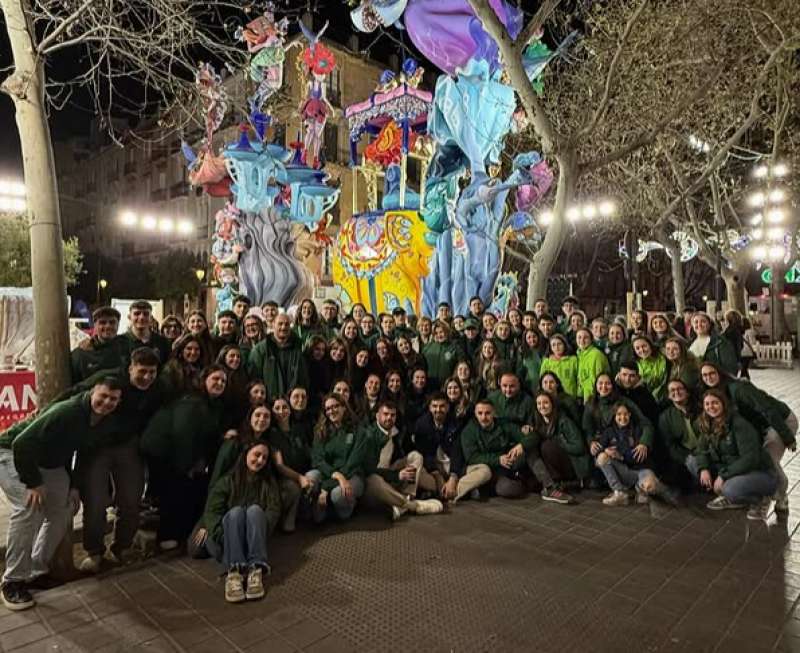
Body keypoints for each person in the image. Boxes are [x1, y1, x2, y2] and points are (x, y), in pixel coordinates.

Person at [0, 377, 123, 610]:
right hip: (11, 452)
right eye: (103, 396)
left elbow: (81, 454)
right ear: (92, 392)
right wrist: (33, 482)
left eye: (113, 399)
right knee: (28, 507)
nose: (106, 402)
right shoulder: (67, 411)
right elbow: (22, 443)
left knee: (64, 508)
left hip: (50, 462)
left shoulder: (103, 421)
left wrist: (74, 486)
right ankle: (12, 581)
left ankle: (36, 571)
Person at [65, 348, 163, 573]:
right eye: (142, 371)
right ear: (130, 368)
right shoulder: (110, 378)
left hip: (128, 446)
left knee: (130, 500)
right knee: (96, 502)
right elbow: (77, 392)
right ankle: (95, 551)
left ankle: (122, 547)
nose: (147, 377)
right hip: (97, 446)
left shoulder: (156, 388)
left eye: (152, 372)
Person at [141, 365, 227, 550]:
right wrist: (187, 467)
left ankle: (181, 533)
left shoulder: (210, 404)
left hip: (180, 452)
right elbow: (183, 434)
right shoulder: (193, 402)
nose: (220, 383)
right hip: (164, 451)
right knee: (172, 491)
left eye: (223, 381)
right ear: (204, 380)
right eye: (215, 379)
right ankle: (168, 536)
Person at [699, 362, 797, 512]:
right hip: (762, 425)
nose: (708, 377)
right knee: (759, 456)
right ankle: (757, 491)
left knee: (770, 458)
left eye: (711, 373)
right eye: (704, 375)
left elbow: (766, 409)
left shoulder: (739, 388)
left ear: (720, 372)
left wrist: (787, 437)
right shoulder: (717, 391)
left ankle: (779, 496)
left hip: (779, 420)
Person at [199, 441, 281, 603]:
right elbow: (212, 512)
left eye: (264, 458)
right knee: (235, 513)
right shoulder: (227, 481)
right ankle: (234, 573)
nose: (260, 461)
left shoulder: (268, 482)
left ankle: (255, 570)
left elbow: (273, 510)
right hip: (227, 541)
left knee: (255, 511)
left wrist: (258, 532)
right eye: (256, 455)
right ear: (246, 454)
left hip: (254, 541)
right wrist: (230, 537)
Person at [695, 389, 777, 520]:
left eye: (715, 403)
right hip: (733, 471)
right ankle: (734, 497)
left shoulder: (739, 424)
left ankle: (760, 499)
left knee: (729, 489)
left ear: (723, 404)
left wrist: (723, 476)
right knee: (695, 465)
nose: (711, 407)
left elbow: (750, 459)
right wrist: (704, 468)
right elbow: (701, 450)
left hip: (760, 473)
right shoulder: (708, 423)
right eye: (707, 404)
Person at [360, 401, 444, 520]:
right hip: (374, 479)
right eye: (385, 414)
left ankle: (407, 497)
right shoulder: (369, 435)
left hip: (391, 472)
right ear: (377, 416)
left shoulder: (396, 432)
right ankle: (411, 506)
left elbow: (407, 451)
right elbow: (368, 470)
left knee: (416, 456)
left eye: (392, 415)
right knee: (374, 480)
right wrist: (396, 475)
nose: (389, 418)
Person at [594, 402, 676, 506]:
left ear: (630, 414)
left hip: (640, 470)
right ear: (614, 416)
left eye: (625, 414)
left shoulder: (638, 430)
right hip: (622, 471)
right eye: (619, 414)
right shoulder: (609, 432)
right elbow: (598, 449)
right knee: (601, 457)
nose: (622, 417)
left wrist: (621, 456)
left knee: (651, 487)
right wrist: (604, 450)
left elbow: (639, 456)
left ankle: (641, 489)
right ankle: (619, 492)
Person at [457, 400, 534, 500]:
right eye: (480, 413)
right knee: (510, 488)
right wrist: (498, 459)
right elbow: (472, 458)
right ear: (475, 414)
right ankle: (485, 489)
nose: (484, 417)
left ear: (494, 412)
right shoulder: (469, 431)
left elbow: (531, 436)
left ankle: (485, 489)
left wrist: (521, 445)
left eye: (487, 413)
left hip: (504, 468)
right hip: (482, 468)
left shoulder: (503, 425)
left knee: (529, 451)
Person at [306, 393, 364, 523]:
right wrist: (336, 475)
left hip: (353, 475)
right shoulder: (320, 430)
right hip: (331, 474)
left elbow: (353, 463)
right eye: (328, 408)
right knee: (311, 477)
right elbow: (317, 460)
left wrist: (325, 487)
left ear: (344, 407)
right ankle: (327, 504)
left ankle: (346, 505)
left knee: (338, 496)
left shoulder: (358, 430)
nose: (331, 411)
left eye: (335, 406)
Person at [528, 392, 585, 503]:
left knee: (547, 446)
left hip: (572, 464)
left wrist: (560, 443)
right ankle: (552, 485)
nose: (542, 406)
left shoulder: (564, 421)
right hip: (554, 465)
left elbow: (580, 447)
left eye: (545, 403)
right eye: (539, 403)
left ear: (552, 404)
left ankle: (551, 488)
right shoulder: (539, 423)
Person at [410, 393, 466, 502]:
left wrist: (453, 478)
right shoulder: (422, 424)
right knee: (414, 474)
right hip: (432, 470)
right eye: (435, 406)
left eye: (442, 406)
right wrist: (437, 475)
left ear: (448, 407)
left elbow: (457, 452)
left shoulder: (456, 423)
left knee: (480, 471)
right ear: (430, 408)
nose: (438, 409)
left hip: (452, 466)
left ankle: (448, 489)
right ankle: (450, 491)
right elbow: (425, 454)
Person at [267, 398, 310, 532]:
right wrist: (299, 478)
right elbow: (279, 465)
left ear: (290, 410)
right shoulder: (272, 434)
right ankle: (287, 519)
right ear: (272, 412)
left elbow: (308, 452)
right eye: (277, 408)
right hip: (284, 478)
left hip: (303, 471)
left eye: (285, 407)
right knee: (292, 488)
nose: (281, 411)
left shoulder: (298, 429)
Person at [248, 314, 309, 401]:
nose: (283, 327)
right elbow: (254, 378)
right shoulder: (260, 349)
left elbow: (303, 378)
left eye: (287, 324)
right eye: (280, 324)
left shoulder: (298, 349)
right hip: (269, 402)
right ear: (273, 325)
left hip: (292, 403)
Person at [658, 379, 701, 488]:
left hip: (705, 451)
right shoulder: (665, 417)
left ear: (687, 392)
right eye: (672, 390)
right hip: (685, 456)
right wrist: (686, 457)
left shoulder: (701, 409)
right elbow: (669, 445)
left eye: (680, 389)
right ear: (668, 396)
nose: (676, 392)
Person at [70, 306, 128, 383]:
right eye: (102, 322)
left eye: (112, 322)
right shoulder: (81, 354)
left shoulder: (127, 347)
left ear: (118, 324)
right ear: (95, 325)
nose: (108, 326)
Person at [689, 312, 738, 376]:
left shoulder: (720, 342)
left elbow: (731, 367)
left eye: (703, 321)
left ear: (709, 324)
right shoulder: (690, 344)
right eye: (696, 322)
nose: (699, 324)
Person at [122, 300, 171, 365]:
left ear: (151, 318)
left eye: (146, 314)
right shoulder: (120, 342)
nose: (141, 317)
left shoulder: (162, 342)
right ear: (129, 317)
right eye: (137, 314)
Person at [162, 334, 205, 400]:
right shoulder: (171, 368)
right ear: (182, 350)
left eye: (197, 349)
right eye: (189, 349)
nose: (193, 352)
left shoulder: (201, 368)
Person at [422, 320, 460, 388]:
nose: (439, 335)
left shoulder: (455, 348)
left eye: (441, 332)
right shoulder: (427, 348)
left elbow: (460, 366)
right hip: (429, 386)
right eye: (436, 333)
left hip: (447, 387)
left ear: (447, 332)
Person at [575, 328, 610, 403]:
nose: (582, 340)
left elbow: (596, 381)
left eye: (586, 337)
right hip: (583, 397)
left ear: (591, 340)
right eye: (579, 337)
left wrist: (589, 401)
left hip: (593, 399)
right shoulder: (580, 355)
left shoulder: (596, 355)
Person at [632, 336, 668, 402]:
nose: (642, 350)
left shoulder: (663, 357)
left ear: (650, 345)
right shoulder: (635, 365)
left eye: (644, 346)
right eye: (637, 348)